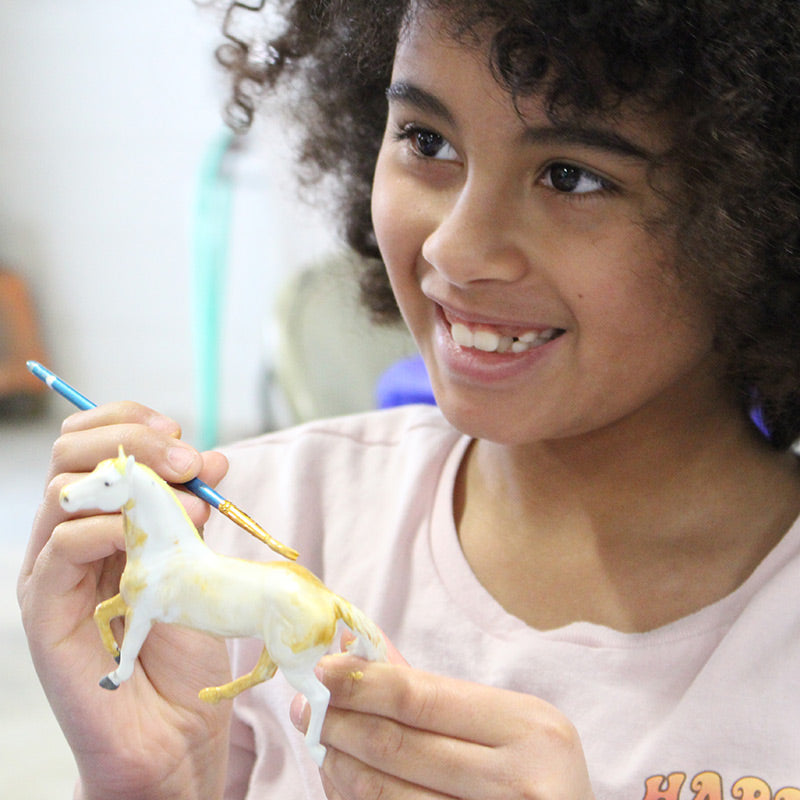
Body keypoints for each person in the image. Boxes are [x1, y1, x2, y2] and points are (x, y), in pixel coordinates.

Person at [17, 0, 800, 798]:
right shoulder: (259, 527)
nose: (453, 249)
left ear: (762, 213)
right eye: (427, 142)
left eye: (572, 176)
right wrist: (158, 782)